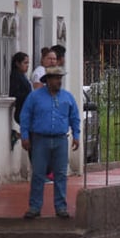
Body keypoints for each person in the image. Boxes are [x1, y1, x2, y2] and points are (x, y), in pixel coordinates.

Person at [19, 66, 81, 219]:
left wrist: (76, 135)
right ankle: (34, 207)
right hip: (40, 140)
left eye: (60, 78)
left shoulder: (68, 97)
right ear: (47, 80)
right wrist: (25, 135)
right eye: (55, 78)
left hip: (61, 140)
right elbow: (25, 116)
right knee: (38, 174)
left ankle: (60, 207)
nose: (59, 81)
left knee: (60, 174)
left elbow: (74, 117)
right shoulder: (35, 97)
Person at [8, 52, 31, 149]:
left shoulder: (22, 76)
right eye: (25, 63)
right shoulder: (16, 76)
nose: (27, 66)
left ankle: (18, 136)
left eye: (28, 63)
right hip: (21, 110)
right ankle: (18, 136)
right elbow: (15, 93)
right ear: (17, 63)